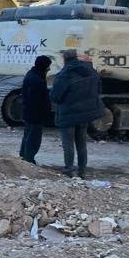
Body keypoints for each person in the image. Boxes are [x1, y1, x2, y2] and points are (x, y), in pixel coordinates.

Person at [49, 49, 104, 178]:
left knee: (68, 143)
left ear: (64, 59)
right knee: (81, 142)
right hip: (85, 114)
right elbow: (99, 89)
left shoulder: (64, 75)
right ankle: (82, 171)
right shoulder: (91, 71)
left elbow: (55, 96)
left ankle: (69, 170)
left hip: (68, 114)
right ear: (76, 58)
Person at [19, 55, 52, 164]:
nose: (49, 69)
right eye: (48, 66)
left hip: (30, 112)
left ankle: (23, 156)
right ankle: (28, 159)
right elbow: (37, 99)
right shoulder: (37, 79)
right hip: (35, 114)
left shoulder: (33, 75)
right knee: (34, 138)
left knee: (28, 135)